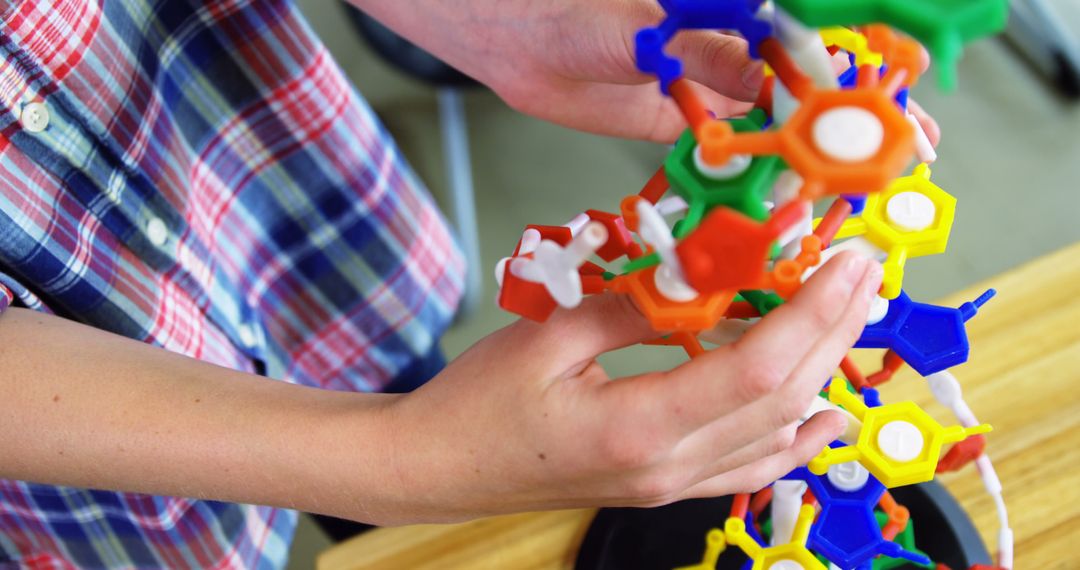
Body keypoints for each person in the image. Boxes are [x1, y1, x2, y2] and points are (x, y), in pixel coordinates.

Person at [0, 0, 924, 567]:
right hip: (88, 467)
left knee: (414, 390)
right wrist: (396, 464)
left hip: (269, 188)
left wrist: (487, 16)